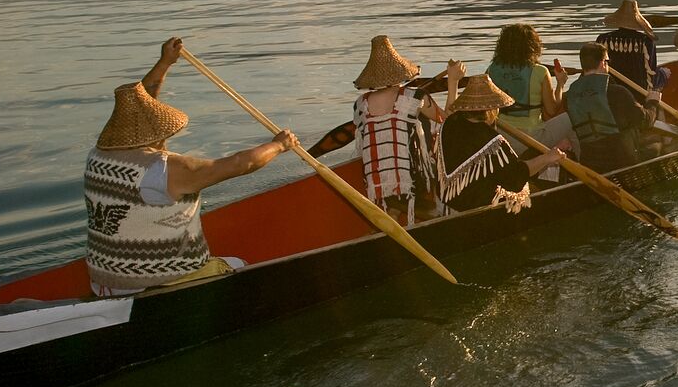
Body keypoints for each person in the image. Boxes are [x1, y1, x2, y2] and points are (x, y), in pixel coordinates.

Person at [83, 37, 297, 298]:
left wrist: (165, 63)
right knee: (239, 266)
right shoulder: (164, 168)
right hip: (156, 284)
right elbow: (242, 164)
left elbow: (141, 101)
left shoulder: (98, 157)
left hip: (103, 281)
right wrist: (279, 146)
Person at [309, 35, 442, 226]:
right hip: (413, 180)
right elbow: (446, 120)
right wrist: (454, 81)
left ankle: (393, 214)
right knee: (423, 123)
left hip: (375, 181)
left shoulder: (361, 104)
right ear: (402, 73)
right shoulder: (415, 95)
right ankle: (430, 208)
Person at [438, 70, 563, 212]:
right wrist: (548, 158)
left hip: (449, 200)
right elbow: (515, 179)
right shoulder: (491, 140)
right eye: (496, 107)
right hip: (476, 204)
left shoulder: (450, 123)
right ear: (490, 110)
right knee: (526, 192)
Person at [562, 42, 653, 173]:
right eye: (607, 61)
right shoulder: (618, 92)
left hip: (590, 163)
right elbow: (646, 121)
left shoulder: (570, 96)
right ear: (603, 63)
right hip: (623, 162)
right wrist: (653, 102)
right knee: (660, 144)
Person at [485, 23, 571, 149]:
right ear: (532, 46)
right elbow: (552, 110)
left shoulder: (491, 70)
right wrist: (560, 84)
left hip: (500, 138)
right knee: (574, 118)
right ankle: (582, 161)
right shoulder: (540, 71)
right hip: (532, 139)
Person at [596, 0, 662, 92]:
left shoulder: (603, 39)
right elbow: (651, 72)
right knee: (665, 73)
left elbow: (596, 68)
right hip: (639, 91)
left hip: (609, 89)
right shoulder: (646, 41)